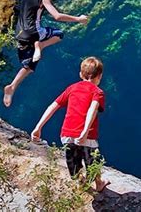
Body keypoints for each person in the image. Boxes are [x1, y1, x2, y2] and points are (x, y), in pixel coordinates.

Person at [3, 0, 88, 107]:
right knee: (59, 35)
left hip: (19, 33)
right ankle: (39, 46)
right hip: (34, 32)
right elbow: (57, 16)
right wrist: (78, 19)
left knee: (28, 65)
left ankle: (12, 86)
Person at [31, 57, 110, 192]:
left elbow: (53, 106)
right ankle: (98, 183)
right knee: (93, 160)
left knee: (74, 162)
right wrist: (85, 131)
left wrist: (38, 127)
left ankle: (81, 182)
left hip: (67, 134)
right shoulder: (98, 92)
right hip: (87, 136)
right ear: (100, 76)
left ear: (80, 74)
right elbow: (93, 109)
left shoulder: (72, 88)